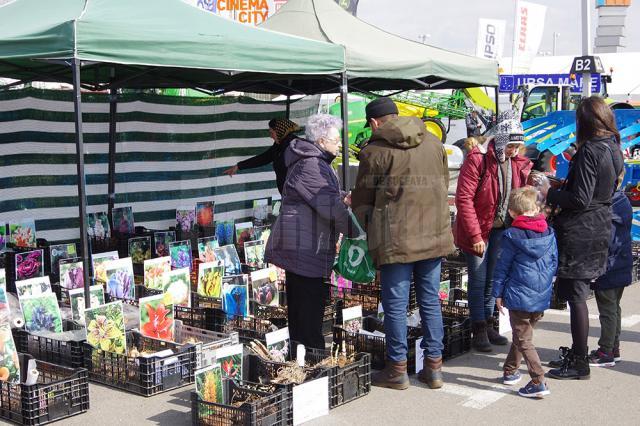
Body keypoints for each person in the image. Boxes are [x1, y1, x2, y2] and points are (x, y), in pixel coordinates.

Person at [351, 97, 454, 390]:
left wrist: (367, 228)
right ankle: (434, 367)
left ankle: (397, 370)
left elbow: (362, 201)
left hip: (395, 240)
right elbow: (443, 184)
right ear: (397, 115)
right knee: (430, 301)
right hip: (433, 237)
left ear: (374, 123)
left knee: (395, 306)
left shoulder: (374, 151)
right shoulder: (434, 143)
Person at [545, 96, 624, 380]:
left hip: (581, 229)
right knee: (578, 295)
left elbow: (579, 199)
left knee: (576, 297)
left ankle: (580, 362)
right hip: (599, 224)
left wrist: (548, 192)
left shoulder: (591, 149)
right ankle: (579, 357)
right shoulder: (614, 147)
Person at [264, 114, 354, 350]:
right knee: (307, 313)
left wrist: (343, 196)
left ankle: (303, 358)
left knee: (304, 310)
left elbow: (325, 197)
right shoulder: (312, 164)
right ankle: (311, 363)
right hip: (304, 248)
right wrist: (358, 232)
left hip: (306, 246)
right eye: (336, 140)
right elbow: (330, 208)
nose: (339, 144)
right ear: (322, 141)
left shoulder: (315, 162)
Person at [454, 109, 532, 352]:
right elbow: (464, 198)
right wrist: (476, 236)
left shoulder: (515, 162)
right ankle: (478, 328)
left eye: (517, 146)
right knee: (478, 281)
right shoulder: (477, 160)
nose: (514, 151)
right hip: (478, 230)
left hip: (500, 229)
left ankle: (488, 324)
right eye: (510, 146)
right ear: (500, 141)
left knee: (492, 280)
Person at [492, 186, 557, 398]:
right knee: (524, 336)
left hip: (519, 294)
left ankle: (538, 380)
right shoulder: (548, 232)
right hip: (541, 293)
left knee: (523, 339)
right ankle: (510, 370)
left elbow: (503, 266)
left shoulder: (512, 235)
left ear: (512, 212)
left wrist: (497, 292)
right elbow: (554, 262)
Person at [589, 185, 633, 367]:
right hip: (622, 262)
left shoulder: (606, 205)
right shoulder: (623, 200)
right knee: (614, 307)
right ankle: (613, 348)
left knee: (608, 309)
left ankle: (606, 350)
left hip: (609, 264)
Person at [223, 118, 300, 194]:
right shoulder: (278, 146)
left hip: (297, 197)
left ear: (280, 132)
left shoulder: (296, 147)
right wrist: (238, 166)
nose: (271, 136)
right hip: (288, 196)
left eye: (272, 133)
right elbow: (263, 158)